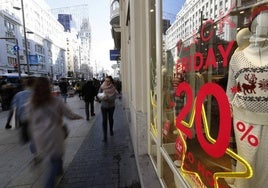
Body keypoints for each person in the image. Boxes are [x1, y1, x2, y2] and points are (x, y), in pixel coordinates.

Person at [226, 5, 268, 188]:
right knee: (246, 160)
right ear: (253, 24)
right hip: (244, 118)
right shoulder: (238, 56)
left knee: (265, 165)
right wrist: (229, 110)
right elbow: (230, 89)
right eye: (262, 17)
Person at [24, 77, 82, 188]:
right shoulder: (56, 101)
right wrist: (77, 116)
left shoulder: (31, 103)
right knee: (55, 160)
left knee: (52, 158)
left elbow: (28, 119)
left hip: (39, 136)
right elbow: (69, 115)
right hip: (55, 135)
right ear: (48, 87)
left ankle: (59, 170)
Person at [5, 77, 36, 143]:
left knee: (27, 138)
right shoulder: (38, 94)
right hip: (36, 118)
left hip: (23, 117)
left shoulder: (19, 94)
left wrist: (11, 122)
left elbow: (13, 107)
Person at [98, 76, 118, 142]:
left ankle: (111, 129)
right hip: (103, 106)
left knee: (110, 118)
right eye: (106, 80)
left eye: (108, 81)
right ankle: (105, 136)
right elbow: (98, 94)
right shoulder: (102, 87)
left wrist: (108, 99)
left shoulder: (113, 88)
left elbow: (114, 97)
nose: (106, 82)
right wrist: (101, 97)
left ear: (111, 81)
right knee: (104, 121)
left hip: (111, 106)